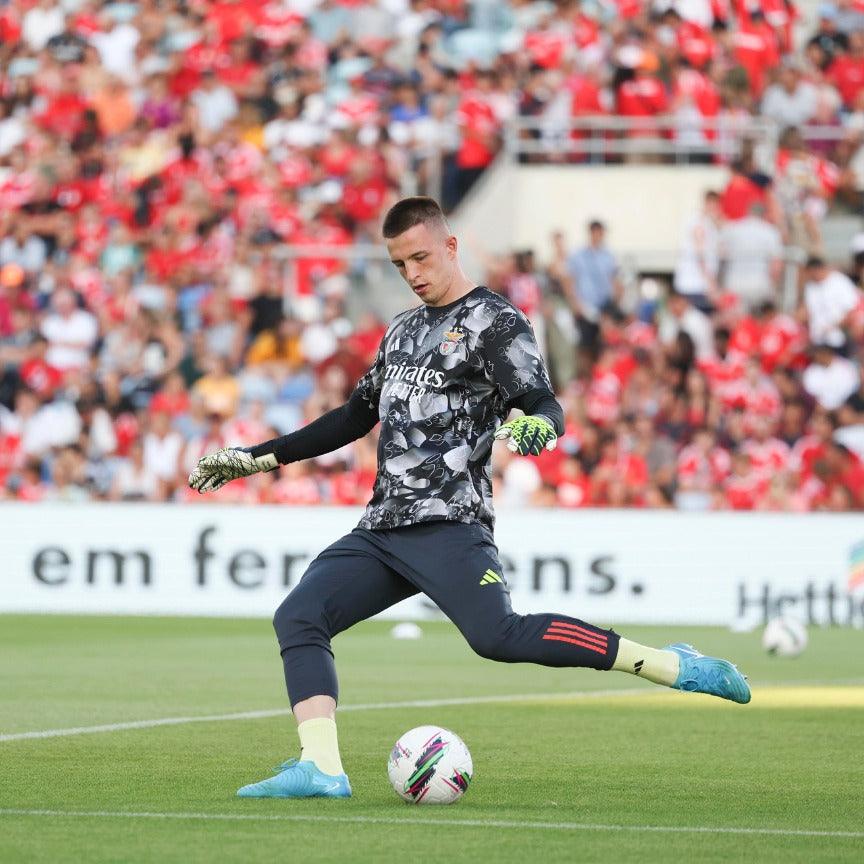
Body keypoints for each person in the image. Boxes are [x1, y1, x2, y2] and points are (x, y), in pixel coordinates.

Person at [188, 197, 750, 801]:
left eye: (422, 257)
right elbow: (353, 418)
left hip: (451, 523)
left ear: (451, 246)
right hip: (383, 528)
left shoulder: (495, 322)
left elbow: (542, 402)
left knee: (498, 637)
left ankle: (668, 664)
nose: (414, 273)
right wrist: (258, 457)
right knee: (299, 616)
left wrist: (541, 428)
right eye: (401, 264)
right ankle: (322, 767)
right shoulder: (402, 330)